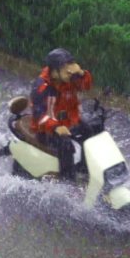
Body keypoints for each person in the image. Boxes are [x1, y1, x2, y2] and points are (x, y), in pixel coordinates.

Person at [30, 48, 93, 180]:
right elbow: (38, 115)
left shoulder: (68, 79)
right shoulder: (42, 86)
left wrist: (81, 73)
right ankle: (67, 181)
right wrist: (56, 127)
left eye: (69, 66)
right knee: (66, 145)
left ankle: (85, 169)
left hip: (68, 122)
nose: (69, 70)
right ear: (54, 70)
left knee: (89, 131)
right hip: (46, 129)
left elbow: (85, 86)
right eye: (64, 67)